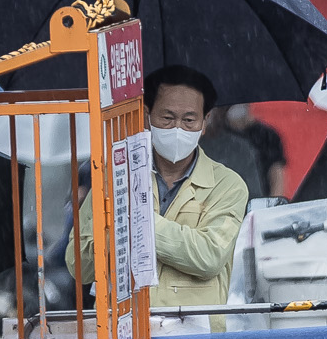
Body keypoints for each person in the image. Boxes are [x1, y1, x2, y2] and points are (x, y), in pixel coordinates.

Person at [75, 65, 250, 315]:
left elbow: (209, 256)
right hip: (125, 331)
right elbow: (79, 264)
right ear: (147, 115)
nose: (178, 129)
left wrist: (138, 223)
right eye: (167, 118)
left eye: (189, 120)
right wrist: (117, 239)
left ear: (205, 122)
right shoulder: (116, 177)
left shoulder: (228, 185)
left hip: (193, 334)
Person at [220, 104, 289, 199]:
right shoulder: (220, 137)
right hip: (228, 200)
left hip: (259, 198)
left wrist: (273, 204)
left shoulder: (266, 135)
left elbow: (276, 172)